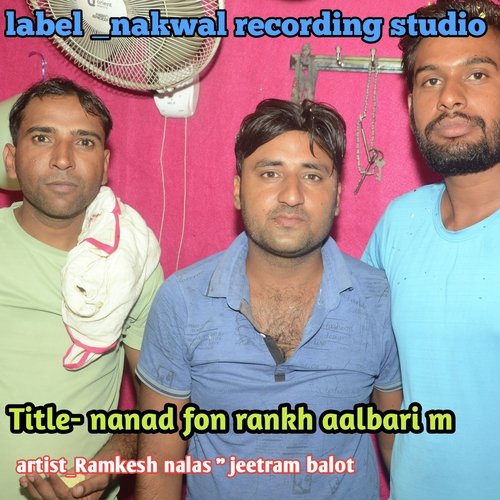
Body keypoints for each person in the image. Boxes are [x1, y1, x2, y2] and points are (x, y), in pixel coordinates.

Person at [135, 98, 402, 500]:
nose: (291, 195)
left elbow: (398, 445)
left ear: (337, 197)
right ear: (238, 190)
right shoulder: (183, 301)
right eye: (270, 173)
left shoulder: (379, 300)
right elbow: (159, 462)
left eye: (312, 175)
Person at [0, 78, 163, 499]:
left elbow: (159, 410)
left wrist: (103, 470)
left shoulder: (131, 265)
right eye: (42, 137)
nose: (63, 159)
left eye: (84, 142)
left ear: (105, 164)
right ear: (11, 159)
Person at [362, 1, 500, 498]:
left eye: (477, 74)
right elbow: (376, 360)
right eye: (431, 80)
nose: (450, 98)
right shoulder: (400, 223)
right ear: (410, 106)